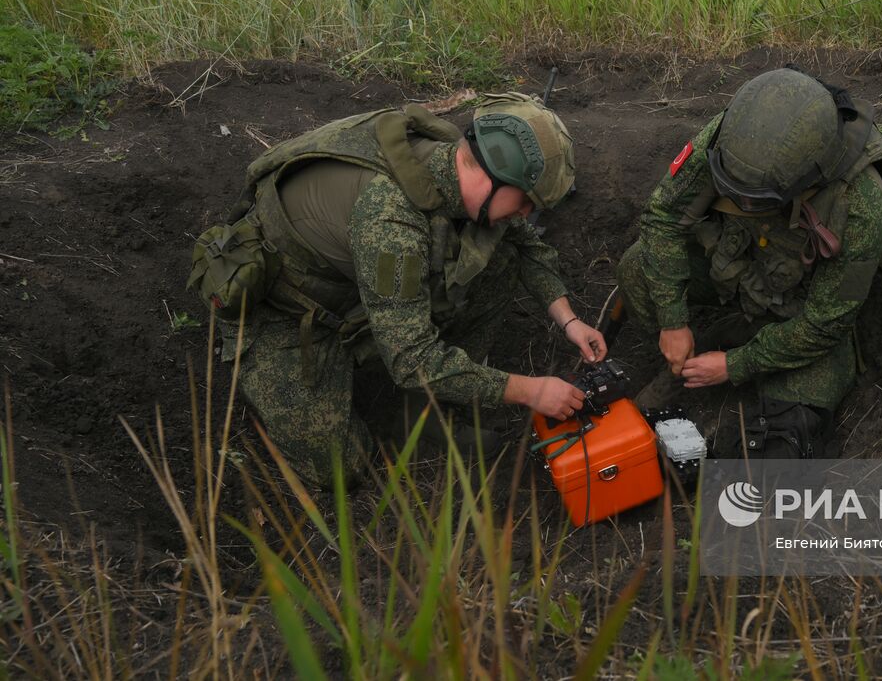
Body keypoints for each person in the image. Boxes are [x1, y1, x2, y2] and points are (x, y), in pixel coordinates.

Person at [189, 95, 606, 488]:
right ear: (493, 177)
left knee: (500, 258)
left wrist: (568, 320)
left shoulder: (450, 163)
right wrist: (531, 391)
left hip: (355, 280)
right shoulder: (390, 221)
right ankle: (350, 382)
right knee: (341, 470)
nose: (525, 213)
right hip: (288, 311)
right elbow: (411, 359)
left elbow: (525, 244)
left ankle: (427, 410)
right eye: (524, 201)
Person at [614, 68, 882, 459]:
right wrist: (673, 320)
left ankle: (740, 369)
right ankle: (686, 361)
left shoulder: (861, 204)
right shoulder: (733, 139)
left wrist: (735, 365)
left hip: (798, 317)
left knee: (780, 445)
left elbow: (824, 325)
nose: (741, 203)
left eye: (755, 200)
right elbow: (662, 215)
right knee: (637, 267)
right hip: (736, 272)